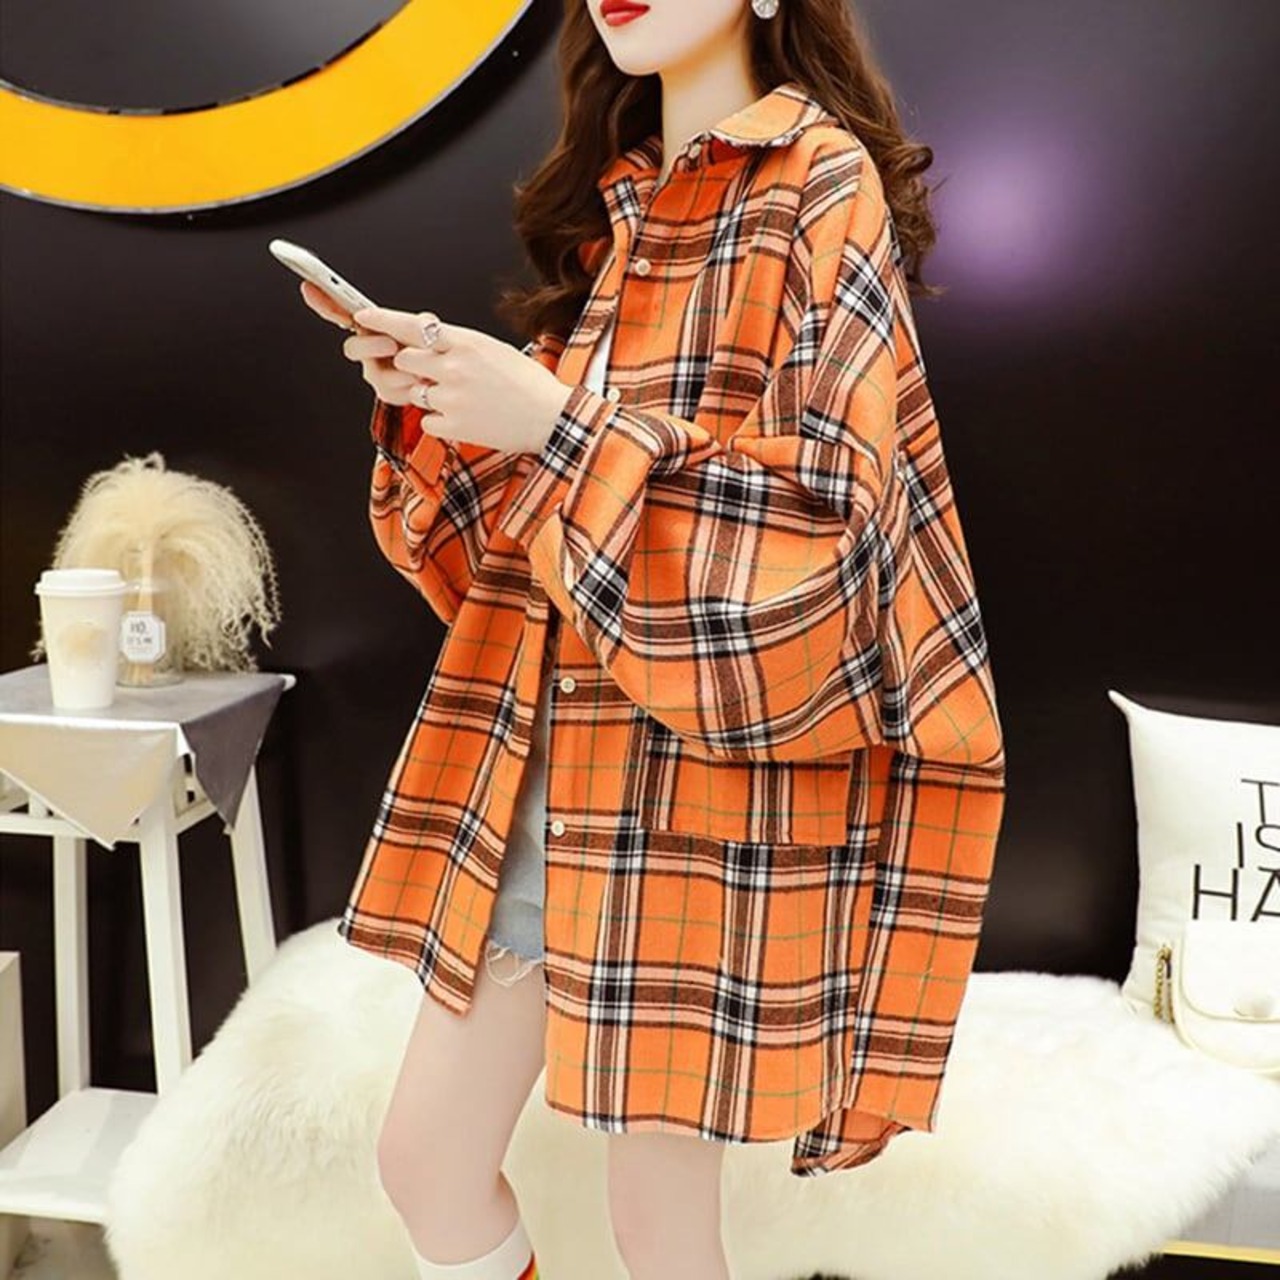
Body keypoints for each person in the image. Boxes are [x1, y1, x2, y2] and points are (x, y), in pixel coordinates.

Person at [304, 2, 1008, 1277]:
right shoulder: (624, 209)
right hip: (551, 759)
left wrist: (554, 422)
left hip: (707, 780)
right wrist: (446, 411)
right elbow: (532, 548)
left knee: (659, 1223)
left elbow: (830, 527)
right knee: (426, 1159)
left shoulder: (819, 181)